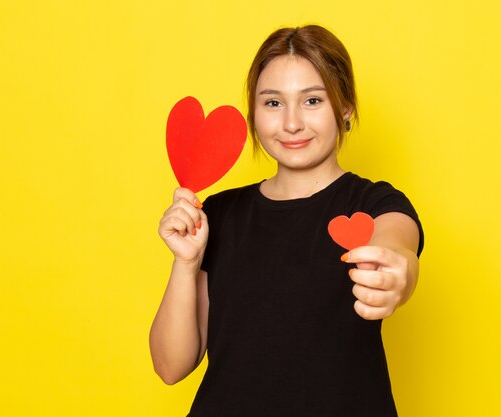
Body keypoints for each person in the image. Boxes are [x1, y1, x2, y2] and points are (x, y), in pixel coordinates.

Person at [150, 24, 424, 417]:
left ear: (344, 108)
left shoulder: (375, 203)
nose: (292, 123)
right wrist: (186, 262)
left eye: (312, 101)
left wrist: (396, 274)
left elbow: (396, 247)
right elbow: (170, 366)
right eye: (273, 103)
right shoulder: (220, 214)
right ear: (254, 113)